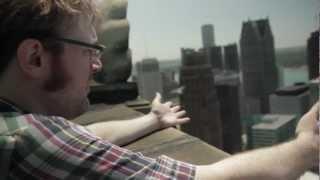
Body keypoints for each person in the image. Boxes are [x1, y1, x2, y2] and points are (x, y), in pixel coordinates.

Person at [0, 0, 318, 179]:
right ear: (35, 57)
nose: (96, 66)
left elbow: (86, 136)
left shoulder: (17, 122)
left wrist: (152, 120)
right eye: (89, 51)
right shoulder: (29, 140)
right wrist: (307, 146)